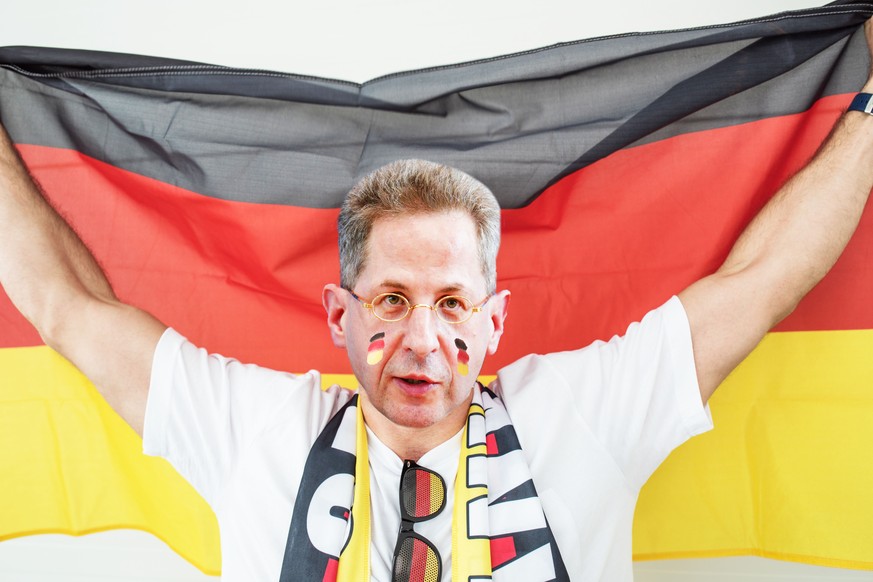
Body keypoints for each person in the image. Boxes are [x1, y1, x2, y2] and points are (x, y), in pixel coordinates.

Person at [2, 22, 873, 581]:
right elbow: (66, 302)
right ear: (338, 316)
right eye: (391, 299)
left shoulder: (586, 411)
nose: (422, 337)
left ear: (494, 321)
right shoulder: (252, 426)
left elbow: (763, 279)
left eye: (453, 303)